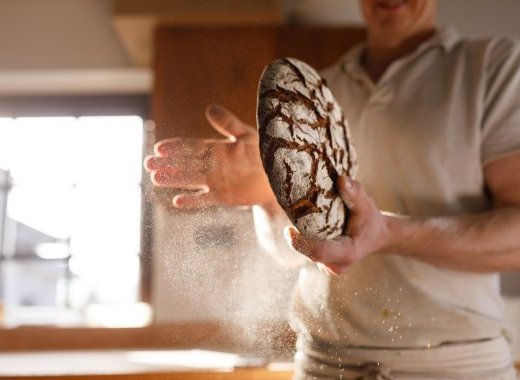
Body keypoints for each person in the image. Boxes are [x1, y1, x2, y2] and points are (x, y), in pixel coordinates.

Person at [144, 0, 520, 378]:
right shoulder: (315, 91)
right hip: (323, 365)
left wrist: (390, 233)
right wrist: (271, 195)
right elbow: (297, 252)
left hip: (454, 367)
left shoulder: (493, 67)